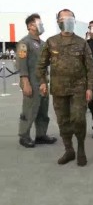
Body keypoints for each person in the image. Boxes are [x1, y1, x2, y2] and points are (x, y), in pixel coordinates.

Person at [36, 9, 93, 166]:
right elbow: (41, 65)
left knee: (78, 119)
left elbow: (90, 67)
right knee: (63, 121)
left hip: (79, 88)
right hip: (58, 88)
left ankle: (81, 148)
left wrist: (90, 87)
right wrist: (42, 82)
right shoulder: (51, 42)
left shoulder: (82, 42)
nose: (68, 21)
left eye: (71, 18)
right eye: (65, 18)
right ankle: (69, 150)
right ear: (58, 22)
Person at [16, 13, 56, 148]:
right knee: (30, 109)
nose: (41, 26)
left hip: (43, 81)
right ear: (30, 26)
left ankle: (41, 135)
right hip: (31, 81)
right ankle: (24, 135)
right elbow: (22, 63)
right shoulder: (24, 42)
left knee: (43, 110)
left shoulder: (44, 44)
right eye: (39, 23)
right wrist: (25, 82)